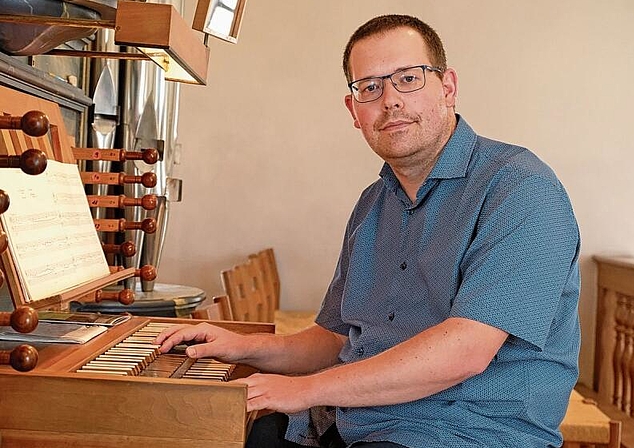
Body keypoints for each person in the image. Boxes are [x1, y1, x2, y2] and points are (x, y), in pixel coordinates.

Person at [156, 14, 581, 448]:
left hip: (462, 433)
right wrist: (243, 347)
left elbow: (465, 351)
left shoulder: (521, 188)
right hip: (358, 421)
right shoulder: (372, 204)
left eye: (408, 79)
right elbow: (335, 337)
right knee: (227, 432)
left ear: (447, 87)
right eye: (370, 87)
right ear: (354, 111)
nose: (390, 100)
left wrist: (305, 389)